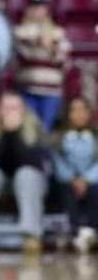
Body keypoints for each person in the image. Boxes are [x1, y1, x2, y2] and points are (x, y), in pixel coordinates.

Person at [0, 92, 49, 254]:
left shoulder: (35, 129)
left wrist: (15, 134)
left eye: (15, 108)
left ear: (23, 110)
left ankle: (30, 235)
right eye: (7, 108)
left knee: (26, 174)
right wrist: (5, 134)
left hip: (29, 183)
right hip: (0, 183)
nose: (11, 112)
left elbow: (32, 163)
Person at [12, 0, 71, 130]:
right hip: (27, 88)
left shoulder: (58, 33)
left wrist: (50, 48)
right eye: (32, 6)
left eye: (40, 7)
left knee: (45, 129)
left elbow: (65, 63)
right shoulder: (18, 32)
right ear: (27, 9)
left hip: (51, 90)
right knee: (28, 129)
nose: (36, 11)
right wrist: (34, 42)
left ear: (46, 10)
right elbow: (19, 60)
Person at [53, 97, 98, 254]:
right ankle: (75, 231)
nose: (79, 114)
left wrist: (86, 179)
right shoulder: (59, 138)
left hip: (92, 180)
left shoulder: (95, 137)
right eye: (75, 110)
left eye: (83, 110)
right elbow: (58, 163)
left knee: (95, 192)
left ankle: (91, 232)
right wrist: (72, 179)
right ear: (68, 114)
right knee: (68, 192)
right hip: (68, 181)